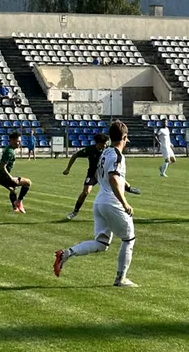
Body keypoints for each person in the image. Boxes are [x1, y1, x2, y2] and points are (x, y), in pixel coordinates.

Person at [53, 121, 138, 287]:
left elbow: (109, 176)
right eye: (127, 139)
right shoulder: (117, 155)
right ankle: (121, 278)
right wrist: (125, 202)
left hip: (99, 202)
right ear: (124, 137)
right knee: (129, 239)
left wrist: (125, 186)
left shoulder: (105, 152)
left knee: (101, 243)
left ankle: (66, 253)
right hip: (111, 203)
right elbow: (113, 178)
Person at [63, 133, 108, 220]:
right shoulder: (90, 149)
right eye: (104, 143)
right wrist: (68, 168)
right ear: (98, 143)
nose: (106, 145)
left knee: (111, 192)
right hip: (92, 174)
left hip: (104, 174)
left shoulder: (108, 150)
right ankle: (75, 212)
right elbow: (75, 155)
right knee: (86, 192)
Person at [0, 131, 32, 214]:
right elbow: (2, 166)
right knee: (28, 183)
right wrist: (10, 177)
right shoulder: (9, 151)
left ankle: (15, 208)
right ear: (12, 140)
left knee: (13, 190)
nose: (19, 143)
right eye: (18, 141)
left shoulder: (8, 149)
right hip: (4, 177)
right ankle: (19, 202)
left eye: (20, 141)